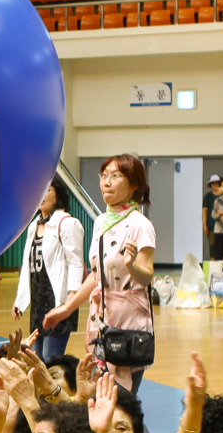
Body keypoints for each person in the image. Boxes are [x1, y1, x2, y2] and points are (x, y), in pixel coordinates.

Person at [43, 154, 155, 393]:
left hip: (128, 322)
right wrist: (66, 308)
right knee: (101, 394)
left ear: (134, 184)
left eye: (115, 176)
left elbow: (147, 277)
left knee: (122, 399)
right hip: (100, 320)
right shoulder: (101, 222)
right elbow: (96, 275)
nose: (107, 182)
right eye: (104, 176)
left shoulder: (140, 224)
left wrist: (132, 265)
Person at [13, 177, 84, 364]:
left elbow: (76, 263)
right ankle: (43, 393)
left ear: (58, 193)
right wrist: (20, 301)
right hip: (38, 302)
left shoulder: (67, 223)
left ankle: (57, 392)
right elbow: (28, 267)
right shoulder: (33, 226)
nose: (42, 196)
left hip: (58, 299)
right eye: (38, 190)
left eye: (48, 190)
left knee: (51, 358)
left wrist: (71, 297)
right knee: (36, 359)